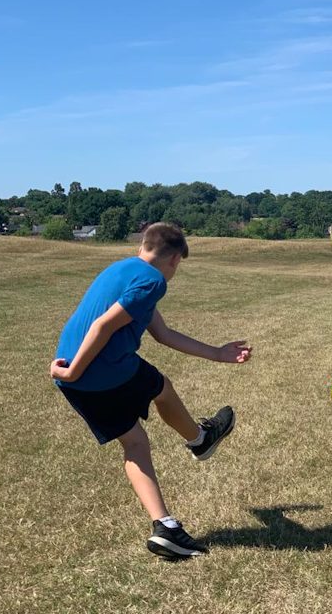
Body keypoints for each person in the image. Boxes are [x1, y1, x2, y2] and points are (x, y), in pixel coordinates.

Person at [49, 222, 252, 560]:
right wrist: (76, 370)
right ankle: (200, 440)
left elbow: (163, 333)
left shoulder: (123, 270)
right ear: (174, 259)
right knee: (162, 388)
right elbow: (103, 326)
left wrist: (217, 352)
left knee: (135, 442)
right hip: (95, 369)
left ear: (144, 246)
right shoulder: (153, 281)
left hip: (76, 381)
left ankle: (165, 528)